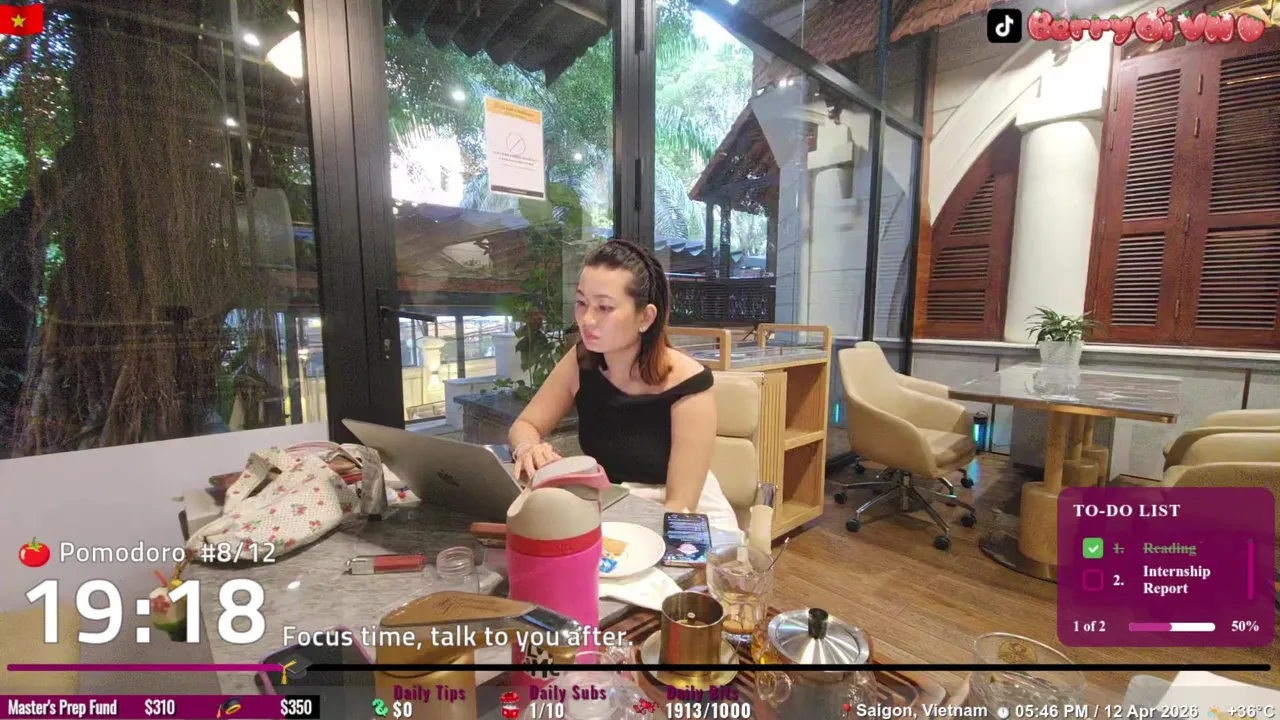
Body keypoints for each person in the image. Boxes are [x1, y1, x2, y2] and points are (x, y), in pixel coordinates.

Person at [508, 239, 739, 532]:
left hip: (684, 513)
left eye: (604, 307)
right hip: (615, 501)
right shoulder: (581, 361)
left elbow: (680, 506)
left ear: (645, 317)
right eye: (582, 303)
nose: (587, 320)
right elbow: (525, 424)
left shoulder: (689, 383)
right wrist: (528, 447)